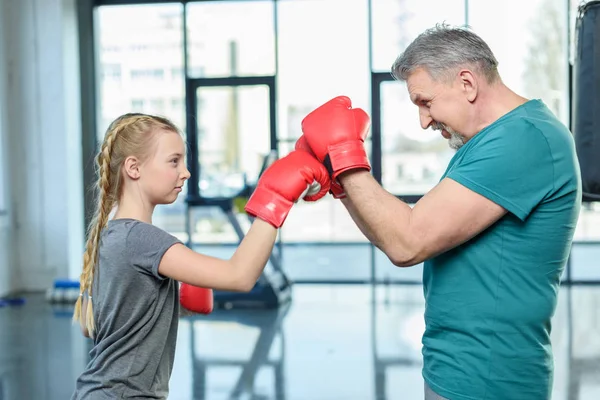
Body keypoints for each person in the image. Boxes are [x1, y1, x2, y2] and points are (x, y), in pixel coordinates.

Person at [298, 24, 582, 400]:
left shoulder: (523, 139)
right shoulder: (490, 142)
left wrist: (345, 157)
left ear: (467, 82)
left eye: (425, 101)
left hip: (490, 380)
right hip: (459, 369)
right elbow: (403, 229)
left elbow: (407, 242)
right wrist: (341, 182)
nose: (424, 120)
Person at [70, 112, 331, 399]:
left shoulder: (112, 235)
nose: (186, 172)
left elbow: (89, 324)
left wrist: (166, 305)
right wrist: (276, 199)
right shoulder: (144, 240)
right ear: (134, 168)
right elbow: (240, 276)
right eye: (174, 161)